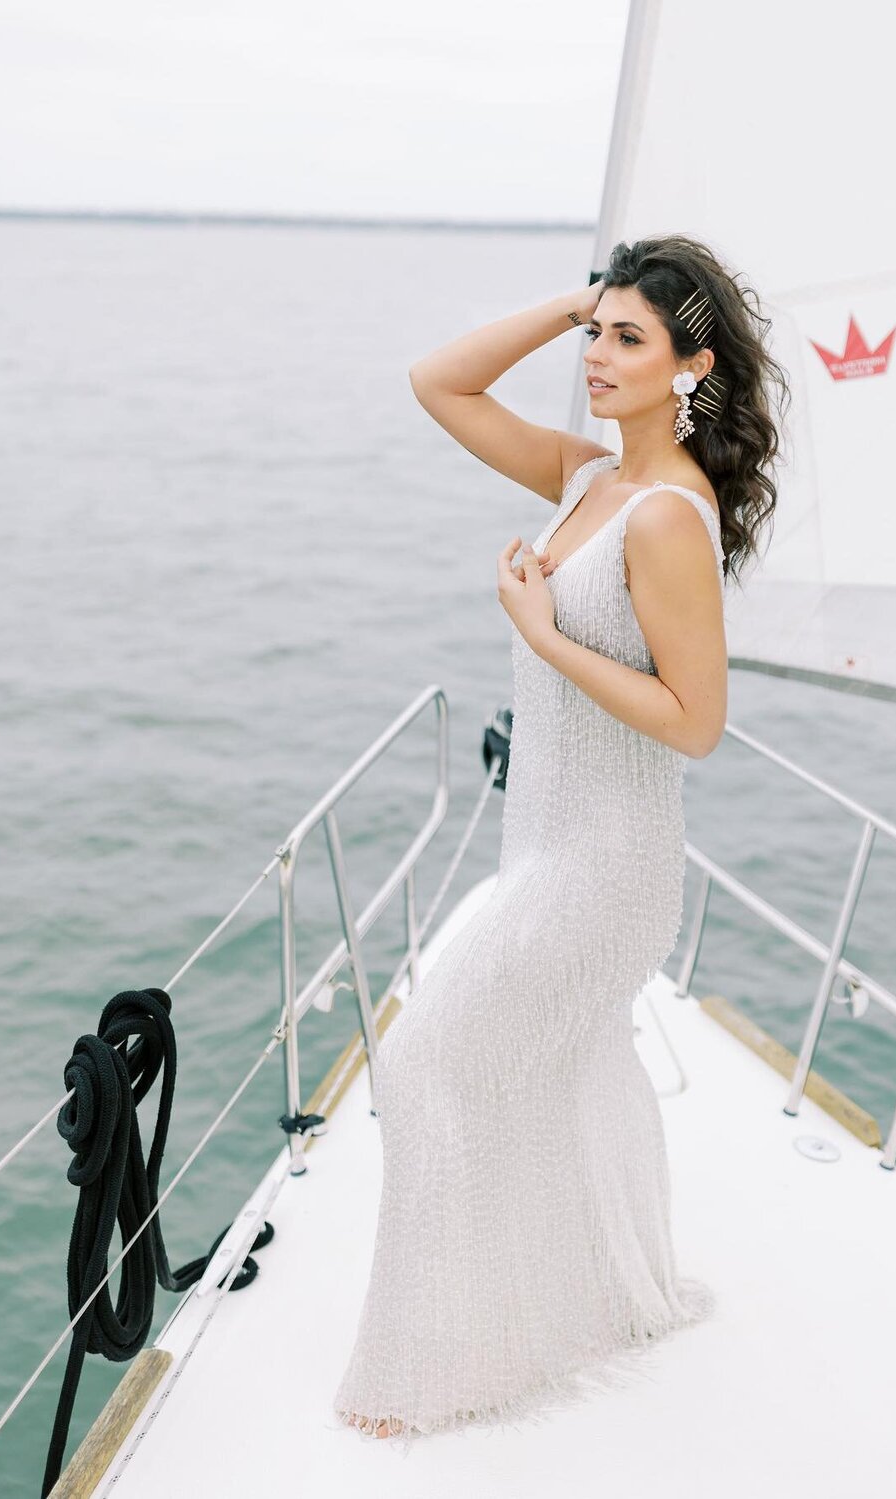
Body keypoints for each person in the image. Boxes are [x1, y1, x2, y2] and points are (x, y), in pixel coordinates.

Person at [332, 234, 789, 1442]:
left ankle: (436, 1360)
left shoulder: (668, 517)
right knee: (567, 1071)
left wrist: (543, 634)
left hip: (609, 861)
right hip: (542, 836)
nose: (597, 355)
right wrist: (572, 301)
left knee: (424, 1062)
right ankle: (593, 1297)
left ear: (690, 367)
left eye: (629, 339)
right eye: (597, 334)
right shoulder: (588, 477)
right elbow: (439, 382)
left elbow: (697, 723)